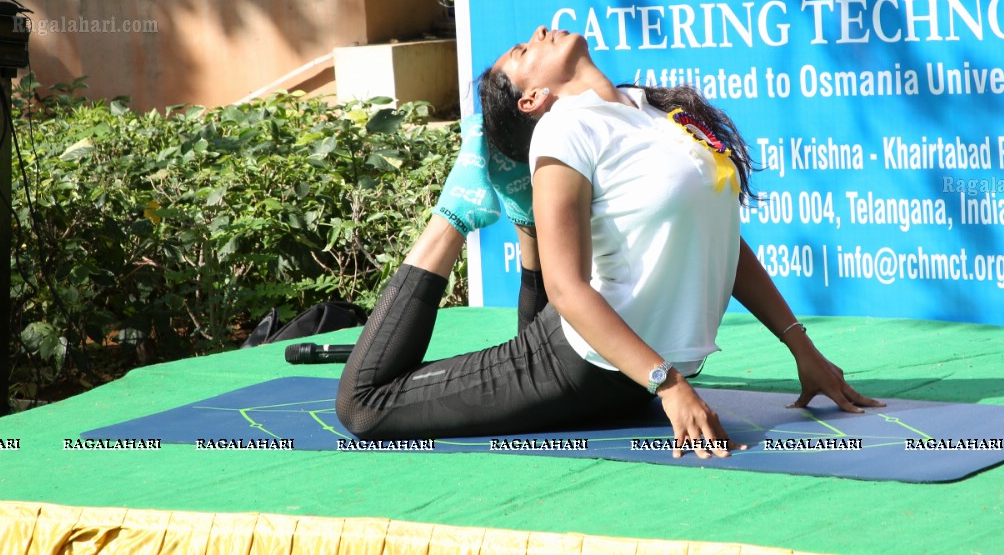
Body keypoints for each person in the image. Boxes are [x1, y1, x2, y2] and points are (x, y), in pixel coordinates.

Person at [337, 27, 880, 456]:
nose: (542, 30)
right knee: (365, 405)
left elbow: (720, 243)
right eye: (523, 51)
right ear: (532, 99)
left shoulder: (656, 110)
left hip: (636, 372)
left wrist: (801, 348)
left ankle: (524, 215)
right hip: (585, 364)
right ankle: (456, 210)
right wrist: (667, 385)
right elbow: (567, 289)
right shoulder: (563, 130)